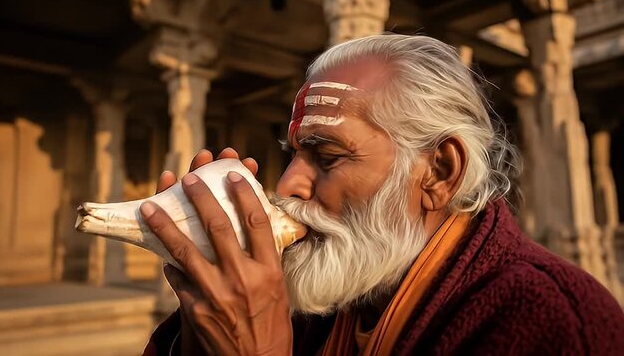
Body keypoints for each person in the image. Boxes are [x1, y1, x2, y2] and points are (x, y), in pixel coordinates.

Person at [141, 35, 624, 355]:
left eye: (327, 157)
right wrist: (202, 335)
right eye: (292, 154)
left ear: (439, 171)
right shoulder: (326, 293)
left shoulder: (555, 324)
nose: (287, 184)